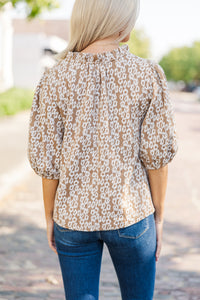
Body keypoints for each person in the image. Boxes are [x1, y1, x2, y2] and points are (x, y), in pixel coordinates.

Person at [27, 0, 178, 299]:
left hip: (72, 219)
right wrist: (158, 219)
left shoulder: (53, 78)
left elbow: (48, 162)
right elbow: (156, 158)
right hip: (132, 215)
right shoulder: (147, 74)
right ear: (122, 24)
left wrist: (49, 217)